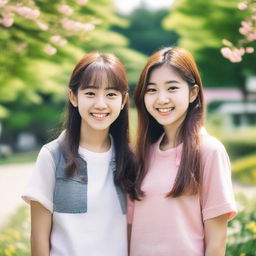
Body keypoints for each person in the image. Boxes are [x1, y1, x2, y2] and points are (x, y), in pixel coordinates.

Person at [22, 52, 135, 256]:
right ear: (73, 97)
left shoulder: (130, 158)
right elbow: (39, 236)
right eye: (90, 93)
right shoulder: (52, 156)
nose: (100, 104)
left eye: (111, 94)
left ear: (123, 100)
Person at [128, 47, 237, 256]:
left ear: (193, 93)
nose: (161, 99)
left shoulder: (209, 151)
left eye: (172, 88)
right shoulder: (141, 155)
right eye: (151, 90)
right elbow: (130, 231)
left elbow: (216, 243)